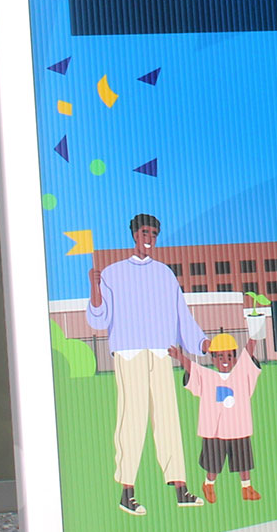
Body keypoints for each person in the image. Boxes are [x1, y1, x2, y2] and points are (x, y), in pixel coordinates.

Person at [86, 213, 206, 516]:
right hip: (129, 354)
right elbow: (99, 320)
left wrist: (202, 344)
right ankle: (128, 492)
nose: (149, 238)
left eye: (154, 232)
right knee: (132, 421)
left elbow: (181, 315)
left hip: (161, 354)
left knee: (168, 421)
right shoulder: (113, 274)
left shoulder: (165, 274)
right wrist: (94, 288)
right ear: (134, 234)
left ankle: (180, 488)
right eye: (144, 232)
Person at [178, 332, 260, 504]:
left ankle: (246, 487)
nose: (225, 360)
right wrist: (179, 356)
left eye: (230, 356)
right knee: (213, 463)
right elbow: (191, 369)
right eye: (220, 356)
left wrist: (254, 333)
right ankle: (209, 484)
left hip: (239, 428)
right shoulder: (207, 377)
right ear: (213, 358)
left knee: (243, 461)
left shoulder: (241, 374)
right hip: (215, 431)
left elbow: (249, 353)